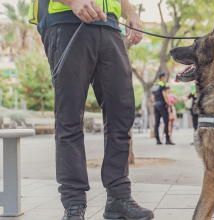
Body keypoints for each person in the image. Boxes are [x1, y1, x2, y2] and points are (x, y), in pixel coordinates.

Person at [28, 0, 153, 219]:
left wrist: (130, 11)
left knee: (121, 114)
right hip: (66, 22)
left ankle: (118, 197)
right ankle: (74, 203)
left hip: (110, 26)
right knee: (70, 116)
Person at [152, 73, 175, 145]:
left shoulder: (154, 85)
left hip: (155, 104)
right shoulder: (162, 84)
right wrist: (169, 104)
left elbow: (153, 97)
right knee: (166, 122)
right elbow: (165, 95)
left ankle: (157, 140)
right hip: (162, 104)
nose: (165, 78)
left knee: (157, 123)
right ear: (162, 77)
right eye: (165, 77)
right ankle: (167, 140)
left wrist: (155, 104)